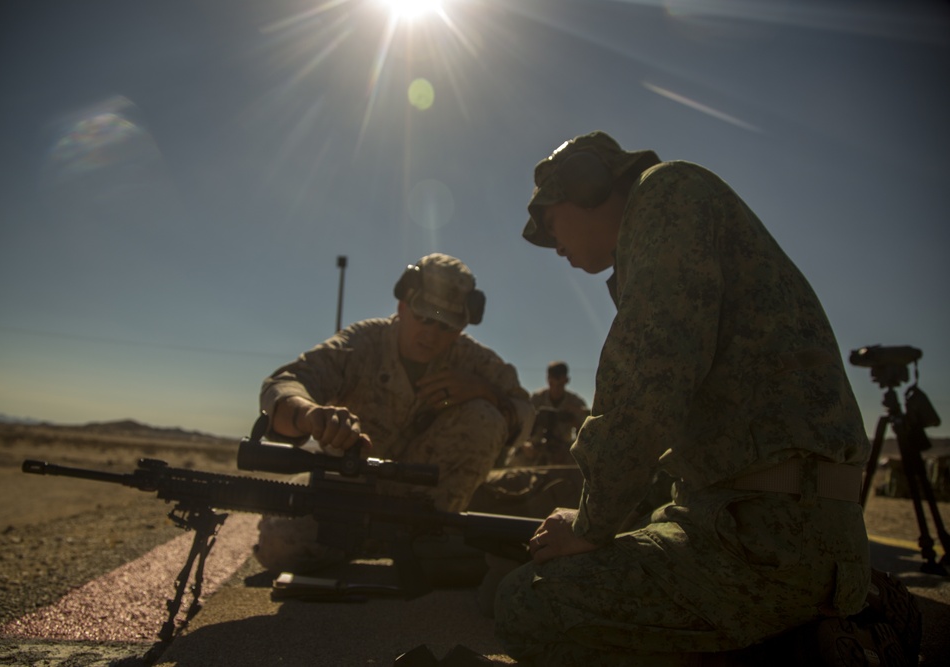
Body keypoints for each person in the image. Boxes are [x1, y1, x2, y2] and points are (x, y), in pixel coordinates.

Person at [495, 131, 881, 665]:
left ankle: (793, 645)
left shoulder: (667, 194)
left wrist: (590, 525)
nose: (551, 241)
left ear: (586, 184)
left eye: (549, 218)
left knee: (527, 604)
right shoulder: (675, 217)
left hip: (764, 542)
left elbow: (647, 382)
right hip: (770, 525)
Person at [254, 252, 534, 575]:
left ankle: (429, 542)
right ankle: (377, 545)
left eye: (445, 325)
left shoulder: (474, 362)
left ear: (460, 329)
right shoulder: (364, 343)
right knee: (280, 542)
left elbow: (526, 415)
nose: (431, 333)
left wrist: (485, 392)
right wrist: (310, 414)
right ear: (403, 306)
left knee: (486, 416)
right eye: (424, 316)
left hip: (426, 509)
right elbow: (285, 384)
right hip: (347, 495)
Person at [510, 361, 589, 466]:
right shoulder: (536, 400)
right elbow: (518, 427)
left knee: (580, 463)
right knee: (516, 459)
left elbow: (586, 435)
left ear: (566, 381)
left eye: (560, 384)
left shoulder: (575, 403)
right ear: (547, 380)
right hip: (535, 447)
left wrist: (574, 416)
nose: (556, 389)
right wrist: (525, 445)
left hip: (563, 450)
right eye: (552, 383)